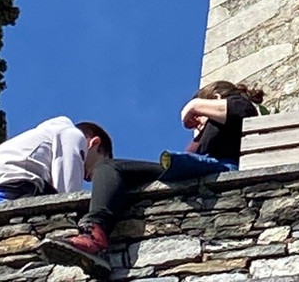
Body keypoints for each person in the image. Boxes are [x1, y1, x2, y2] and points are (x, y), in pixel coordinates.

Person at [40, 80, 264, 274]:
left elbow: (243, 111)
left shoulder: (236, 107)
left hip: (216, 169)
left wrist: (195, 106)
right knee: (112, 171)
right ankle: (95, 229)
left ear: (215, 98)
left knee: (109, 167)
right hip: (200, 169)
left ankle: (95, 233)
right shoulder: (214, 126)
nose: (197, 122)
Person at [0, 116, 113, 207]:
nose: (89, 177)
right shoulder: (72, 134)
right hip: (0, 195)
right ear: (94, 143)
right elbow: (67, 196)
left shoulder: (44, 138)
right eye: (98, 167)